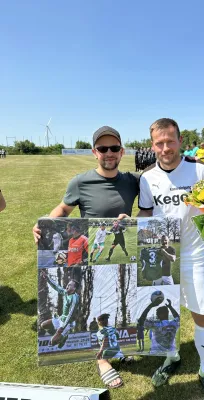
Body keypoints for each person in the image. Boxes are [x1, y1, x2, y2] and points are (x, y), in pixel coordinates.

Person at [33, 125, 140, 389]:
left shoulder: (132, 181)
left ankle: (116, 348)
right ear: (94, 152)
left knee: (117, 304)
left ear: (122, 151)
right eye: (103, 148)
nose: (109, 153)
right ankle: (102, 360)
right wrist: (43, 224)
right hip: (90, 259)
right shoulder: (80, 181)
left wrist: (189, 160)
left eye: (114, 148)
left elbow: (159, 183)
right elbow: (63, 208)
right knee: (98, 307)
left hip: (122, 259)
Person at [138, 118, 204, 399]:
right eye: (159, 143)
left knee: (202, 315)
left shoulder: (200, 170)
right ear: (152, 145)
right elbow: (145, 214)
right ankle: (172, 357)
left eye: (170, 141)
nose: (165, 148)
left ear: (180, 141)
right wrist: (132, 228)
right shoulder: (147, 178)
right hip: (162, 255)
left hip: (194, 255)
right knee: (165, 314)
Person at [40, 270, 80, 349]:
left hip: (68, 323)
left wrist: (62, 327)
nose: (67, 286)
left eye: (70, 285)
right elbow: (56, 287)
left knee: (53, 342)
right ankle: (60, 335)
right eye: (68, 284)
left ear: (74, 288)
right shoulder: (65, 292)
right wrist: (47, 278)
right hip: (61, 318)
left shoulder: (74, 299)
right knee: (43, 325)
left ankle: (64, 337)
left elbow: (70, 315)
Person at [96, 314, 124, 388]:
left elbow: (106, 341)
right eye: (103, 319)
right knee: (114, 350)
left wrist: (100, 351)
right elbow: (116, 337)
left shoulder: (102, 332)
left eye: (105, 319)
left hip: (110, 350)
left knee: (105, 352)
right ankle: (104, 361)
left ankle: (103, 360)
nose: (105, 321)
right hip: (115, 349)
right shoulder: (111, 329)